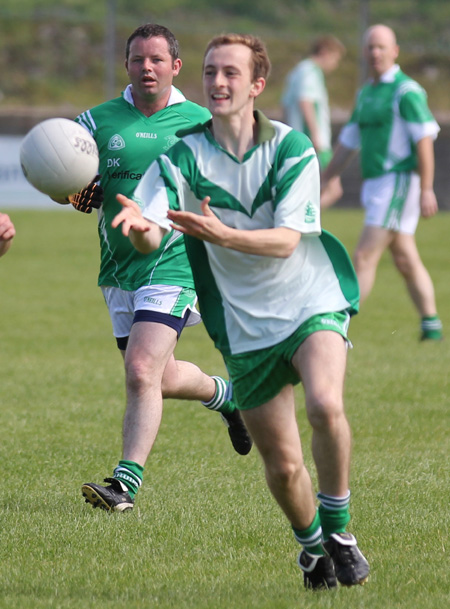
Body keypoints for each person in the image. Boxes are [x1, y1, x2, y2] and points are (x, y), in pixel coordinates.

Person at [112, 33, 370, 591]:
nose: (218, 83)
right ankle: (310, 550)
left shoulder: (291, 148)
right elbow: (153, 234)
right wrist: (139, 232)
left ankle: (341, 531)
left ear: (257, 84)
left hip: (308, 300)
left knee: (325, 404)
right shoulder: (180, 156)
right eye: (209, 72)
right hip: (245, 323)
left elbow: (286, 241)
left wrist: (221, 234)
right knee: (281, 465)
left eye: (230, 73)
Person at [67, 24, 252, 514]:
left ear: (176, 66)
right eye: (136, 59)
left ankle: (124, 485)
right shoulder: (95, 120)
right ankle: (227, 396)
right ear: (126, 65)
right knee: (161, 378)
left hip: (174, 264)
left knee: (141, 368)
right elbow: (62, 167)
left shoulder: (199, 122)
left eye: (155, 60)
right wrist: (67, 190)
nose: (145, 68)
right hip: (117, 267)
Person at [321, 24, 443, 341]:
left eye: (382, 47)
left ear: (395, 51)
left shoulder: (407, 91)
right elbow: (348, 141)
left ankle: (337, 328)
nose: (375, 52)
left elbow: (424, 141)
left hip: (399, 182)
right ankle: (431, 325)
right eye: (370, 47)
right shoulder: (366, 93)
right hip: (377, 184)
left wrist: (427, 187)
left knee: (364, 256)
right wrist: (325, 177)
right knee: (404, 256)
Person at [281, 35, 345, 208]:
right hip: (314, 142)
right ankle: (300, 225)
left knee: (311, 189)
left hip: (299, 141)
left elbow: (286, 107)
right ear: (325, 52)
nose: (335, 64)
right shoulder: (309, 71)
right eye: (335, 58)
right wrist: (315, 136)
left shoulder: (297, 72)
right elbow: (306, 101)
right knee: (333, 189)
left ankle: (298, 223)